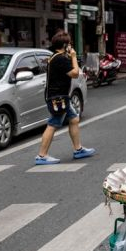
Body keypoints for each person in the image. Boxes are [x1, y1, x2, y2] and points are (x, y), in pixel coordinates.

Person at [35, 32, 95, 165]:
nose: (71, 46)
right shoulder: (60, 59)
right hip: (58, 98)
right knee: (52, 124)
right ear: (64, 45)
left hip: (61, 97)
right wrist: (73, 56)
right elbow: (74, 73)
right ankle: (42, 155)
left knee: (74, 119)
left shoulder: (56, 57)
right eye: (69, 44)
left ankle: (78, 149)